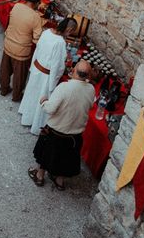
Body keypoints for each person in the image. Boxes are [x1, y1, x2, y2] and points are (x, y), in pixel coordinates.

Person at [28, 60, 95, 190]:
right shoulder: (91, 89)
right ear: (88, 76)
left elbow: (50, 109)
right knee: (66, 158)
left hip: (56, 132)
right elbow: (90, 105)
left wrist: (44, 101)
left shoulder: (64, 87)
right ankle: (59, 181)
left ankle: (40, 176)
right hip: (74, 135)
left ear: (74, 71)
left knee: (46, 154)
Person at [19, 17, 78, 135]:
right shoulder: (60, 42)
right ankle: (35, 124)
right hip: (46, 76)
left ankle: (27, 115)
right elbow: (57, 65)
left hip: (37, 68)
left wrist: (32, 66)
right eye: (71, 31)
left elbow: (37, 49)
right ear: (69, 29)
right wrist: (53, 83)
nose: (71, 34)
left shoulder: (46, 32)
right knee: (41, 98)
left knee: (32, 93)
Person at [0, 0, 44, 102]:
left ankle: (3, 89)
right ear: (36, 3)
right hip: (21, 50)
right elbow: (37, 38)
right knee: (19, 75)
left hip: (8, 43)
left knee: (5, 68)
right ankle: (16, 96)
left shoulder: (17, 6)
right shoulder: (35, 17)